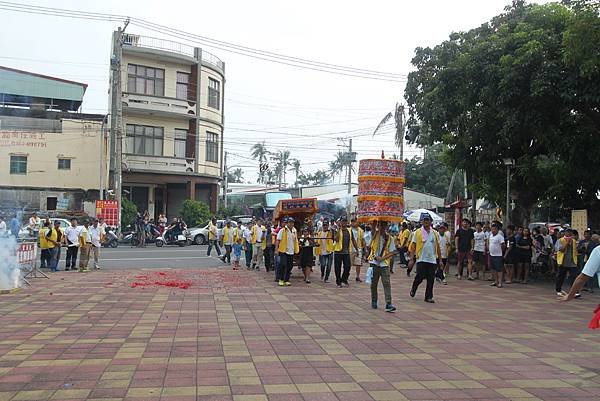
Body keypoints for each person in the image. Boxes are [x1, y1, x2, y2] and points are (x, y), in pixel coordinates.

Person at [409, 214, 442, 303]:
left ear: (431, 222)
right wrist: (412, 258)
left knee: (431, 279)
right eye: (424, 220)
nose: (426, 222)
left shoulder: (435, 233)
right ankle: (414, 288)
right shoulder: (417, 232)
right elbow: (413, 245)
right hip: (421, 258)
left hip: (432, 259)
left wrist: (440, 260)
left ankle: (428, 296)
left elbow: (438, 247)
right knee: (420, 276)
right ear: (422, 221)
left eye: (428, 220)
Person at [368, 221, 398, 313]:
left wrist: (382, 258)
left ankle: (388, 303)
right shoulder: (374, 235)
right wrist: (375, 221)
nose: (381, 227)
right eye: (380, 225)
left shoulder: (389, 238)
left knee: (386, 283)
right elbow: (373, 229)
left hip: (384, 264)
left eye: (384, 225)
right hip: (373, 262)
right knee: (374, 284)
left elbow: (393, 252)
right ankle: (374, 300)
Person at [333, 217, 357, 288]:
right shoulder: (336, 230)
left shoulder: (349, 230)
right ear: (340, 222)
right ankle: (338, 281)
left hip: (346, 252)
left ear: (347, 222)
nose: (344, 223)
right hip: (338, 252)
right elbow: (336, 239)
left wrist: (357, 249)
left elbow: (353, 239)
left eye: (345, 221)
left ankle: (344, 279)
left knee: (347, 267)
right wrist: (339, 229)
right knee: (337, 268)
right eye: (343, 221)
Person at [275, 217, 299, 286]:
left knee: (290, 266)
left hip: (291, 251)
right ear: (287, 223)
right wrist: (276, 250)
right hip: (283, 250)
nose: (291, 224)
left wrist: (296, 249)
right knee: (283, 264)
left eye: (292, 222)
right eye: (290, 222)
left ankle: (287, 280)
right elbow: (278, 240)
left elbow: (295, 241)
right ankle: (281, 279)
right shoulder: (282, 230)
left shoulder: (294, 231)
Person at [555, 228, 579, 297]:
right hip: (563, 261)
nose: (569, 233)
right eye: (567, 232)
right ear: (565, 233)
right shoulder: (560, 240)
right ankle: (558, 290)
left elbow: (575, 250)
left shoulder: (574, 241)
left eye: (570, 232)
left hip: (572, 262)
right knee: (561, 276)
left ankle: (575, 291)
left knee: (574, 277)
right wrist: (567, 243)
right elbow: (561, 250)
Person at [315, 219, 334, 283]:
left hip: (329, 251)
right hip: (322, 252)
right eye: (324, 225)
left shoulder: (330, 232)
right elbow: (317, 242)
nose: (325, 226)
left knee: (329, 266)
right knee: (323, 265)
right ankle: (322, 274)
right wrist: (317, 244)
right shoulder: (319, 233)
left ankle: (326, 278)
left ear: (328, 226)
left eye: (326, 225)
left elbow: (335, 234)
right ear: (322, 226)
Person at [350, 217, 366, 282]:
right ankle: (346, 274)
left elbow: (363, 240)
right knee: (349, 263)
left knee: (358, 263)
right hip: (350, 248)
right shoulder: (348, 229)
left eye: (354, 221)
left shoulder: (361, 231)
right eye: (352, 221)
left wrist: (364, 248)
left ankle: (357, 276)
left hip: (358, 248)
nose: (353, 223)